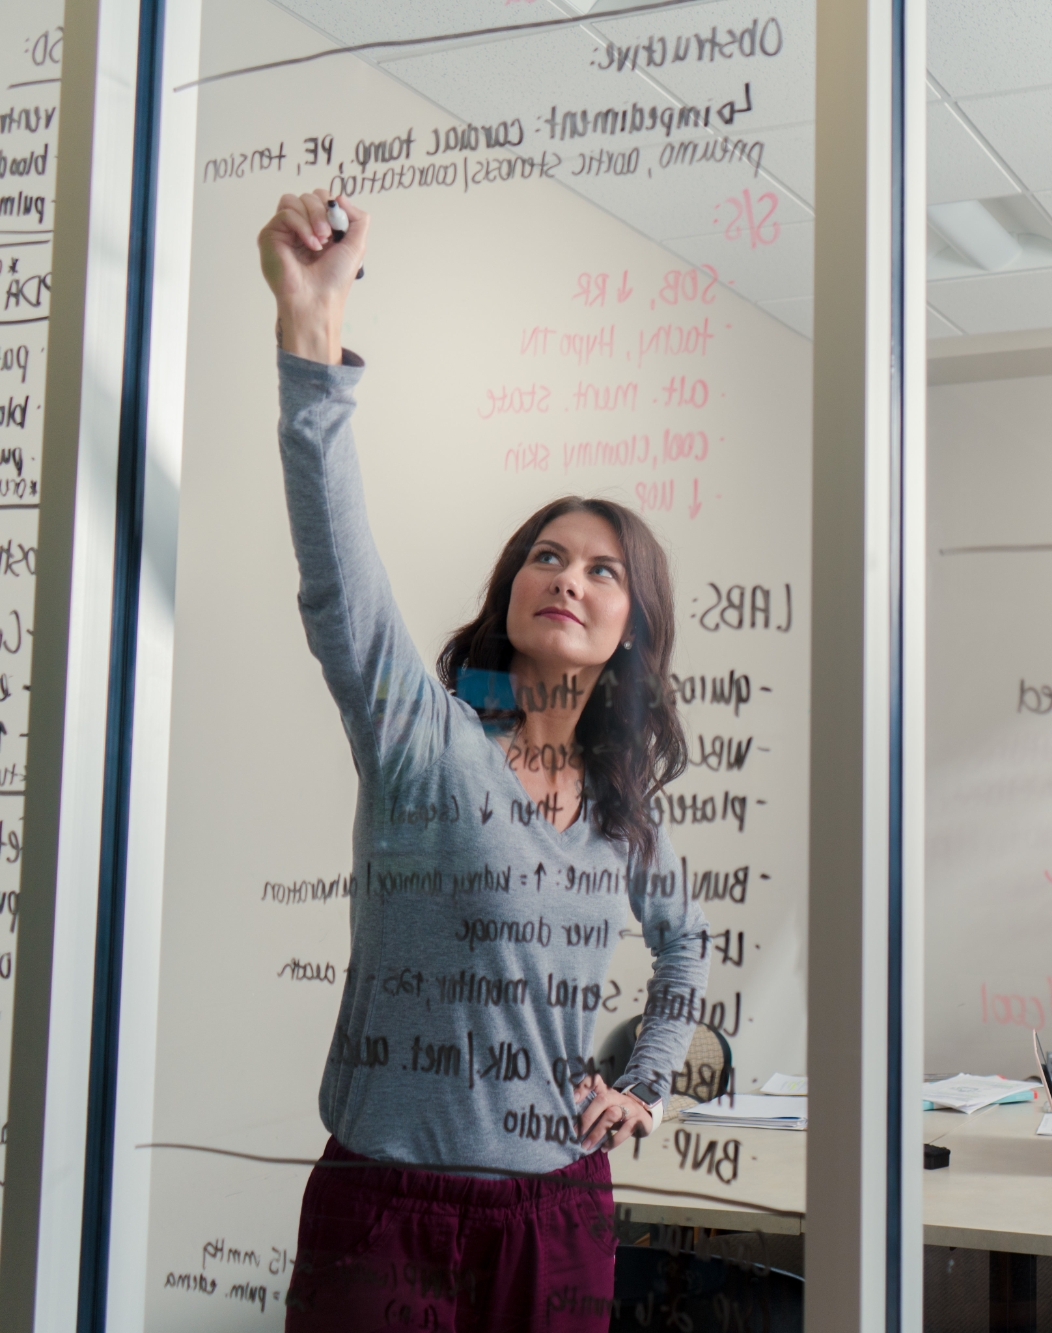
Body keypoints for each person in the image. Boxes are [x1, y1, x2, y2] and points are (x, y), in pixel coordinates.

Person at [258, 189, 711, 1330]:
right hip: (386, 1206)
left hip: (557, 1214)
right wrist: (312, 331)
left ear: (631, 630)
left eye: (603, 570)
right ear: (511, 592)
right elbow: (340, 578)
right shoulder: (424, 741)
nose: (569, 574)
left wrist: (645, 1080)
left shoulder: (623, 817)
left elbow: (684, 946)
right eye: (547, 555)